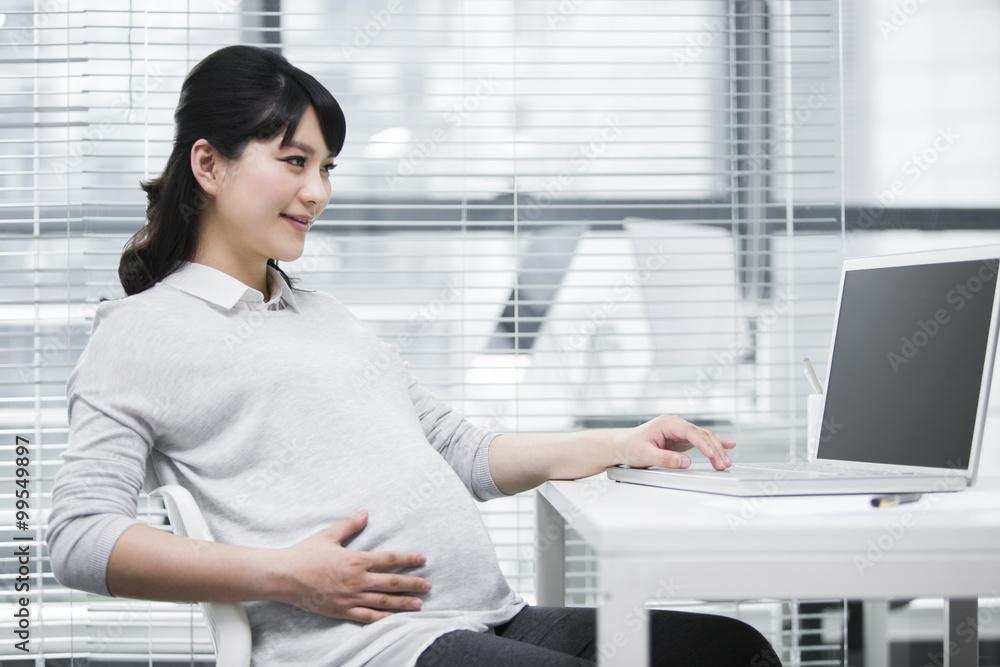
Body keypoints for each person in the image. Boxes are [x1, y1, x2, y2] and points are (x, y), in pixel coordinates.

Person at [47, 44, 782, 667]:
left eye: (327, 167)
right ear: (209, 165)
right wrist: (284, 574)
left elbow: (461, 449)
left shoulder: (323, 315)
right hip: (378, 647)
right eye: (295, 160)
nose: (318, 191)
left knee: (735, 650)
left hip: (488, 616)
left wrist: (619, 442)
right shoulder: (140, 332)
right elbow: (79, 537)